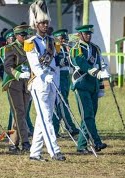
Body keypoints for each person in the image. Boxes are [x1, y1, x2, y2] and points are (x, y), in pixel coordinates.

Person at [25, 0, 65, 161]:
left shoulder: (52, 41)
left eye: (46, 22)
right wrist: (44, 74)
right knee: (46, 117)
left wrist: (60, 65)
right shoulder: (30, 43)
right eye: (42, 23)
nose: (45, 25)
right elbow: (34, 64)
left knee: (42, 118)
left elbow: (55, 61)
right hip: (39, 83)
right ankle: (54, 151)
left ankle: (34, 153)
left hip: (53, 81)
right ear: (35, 24)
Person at [69, 24, 109, 154]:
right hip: (81, 84)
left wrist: (101, 85)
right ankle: (96, 142)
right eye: (85, 34)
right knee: (87, 115)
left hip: (93, 86)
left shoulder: (95, 48)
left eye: (89, 33)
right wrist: (97, 73)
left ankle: (81, 146)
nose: (88, 35)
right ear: (79, 35)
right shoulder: (76, 49)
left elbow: (99, 65)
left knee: (89, 116)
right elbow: (83, 65)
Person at [2, 25, 32, 153]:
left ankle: (13, 143)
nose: (25, 37)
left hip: (26, 83)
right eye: (22, 35)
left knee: (21, 114)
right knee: (19, 112)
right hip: (14, 83)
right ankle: (25, 142)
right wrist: (18, 74)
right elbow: (7, 67)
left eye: (26, 35)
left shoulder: (30, 47)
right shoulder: (10, 48)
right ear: (16, 36)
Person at [52, 29, 79, 137]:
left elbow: (73, 62)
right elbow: (59, 62)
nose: (64, 40)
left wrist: (71, 52)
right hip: (58, 76)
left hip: (67, 77)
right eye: (61, 38)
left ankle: (54, 129)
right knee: (63, 102)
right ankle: (70, 127)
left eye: (65, 38)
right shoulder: (55, 48)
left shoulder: (67, 48)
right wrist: (69, 58)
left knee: (59, 104)